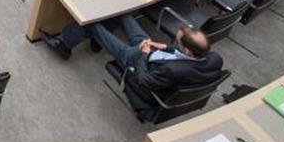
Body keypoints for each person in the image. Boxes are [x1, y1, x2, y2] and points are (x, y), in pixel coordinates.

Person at [44, 14, 224, 118]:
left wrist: (144, 55)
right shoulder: (214, 58)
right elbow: (181, 54)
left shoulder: (172, 70)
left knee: (91, 24)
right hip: (156, 55)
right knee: (123, 14)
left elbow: (144, 80)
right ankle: (99, 41)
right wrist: (167, 47)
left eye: (177, 42)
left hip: (138, 63)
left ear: (187, 50)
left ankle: (64, 45)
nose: (176, 43)